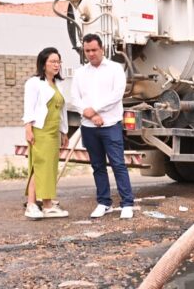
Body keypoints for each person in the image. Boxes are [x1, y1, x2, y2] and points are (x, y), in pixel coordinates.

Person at [71, 34, 134, 219]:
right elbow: (75, 98)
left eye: (94, 50)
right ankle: (103, 202)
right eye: (87, 51)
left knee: (118, 164)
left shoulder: (115, 69)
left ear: (102, 49)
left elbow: (117, 94)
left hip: (110, 125)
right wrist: (89, 113)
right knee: (97, 166)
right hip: (88, 126)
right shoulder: (80, 73)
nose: (91, 54)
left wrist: (95, 110)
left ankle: (127, 203)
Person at [22, 47, 69, 220]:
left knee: (49, 167)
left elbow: (61, 110)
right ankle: (32, 204)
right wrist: (28, 128)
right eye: (52, 61)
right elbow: (29, 107)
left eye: (58, 61)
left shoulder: (58, 84)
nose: (56, 65)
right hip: (40, 129)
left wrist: (64, 132)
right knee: (40, 166)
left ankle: (48, 205)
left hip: (54, 131)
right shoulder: (34, 83)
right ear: (43, 64)